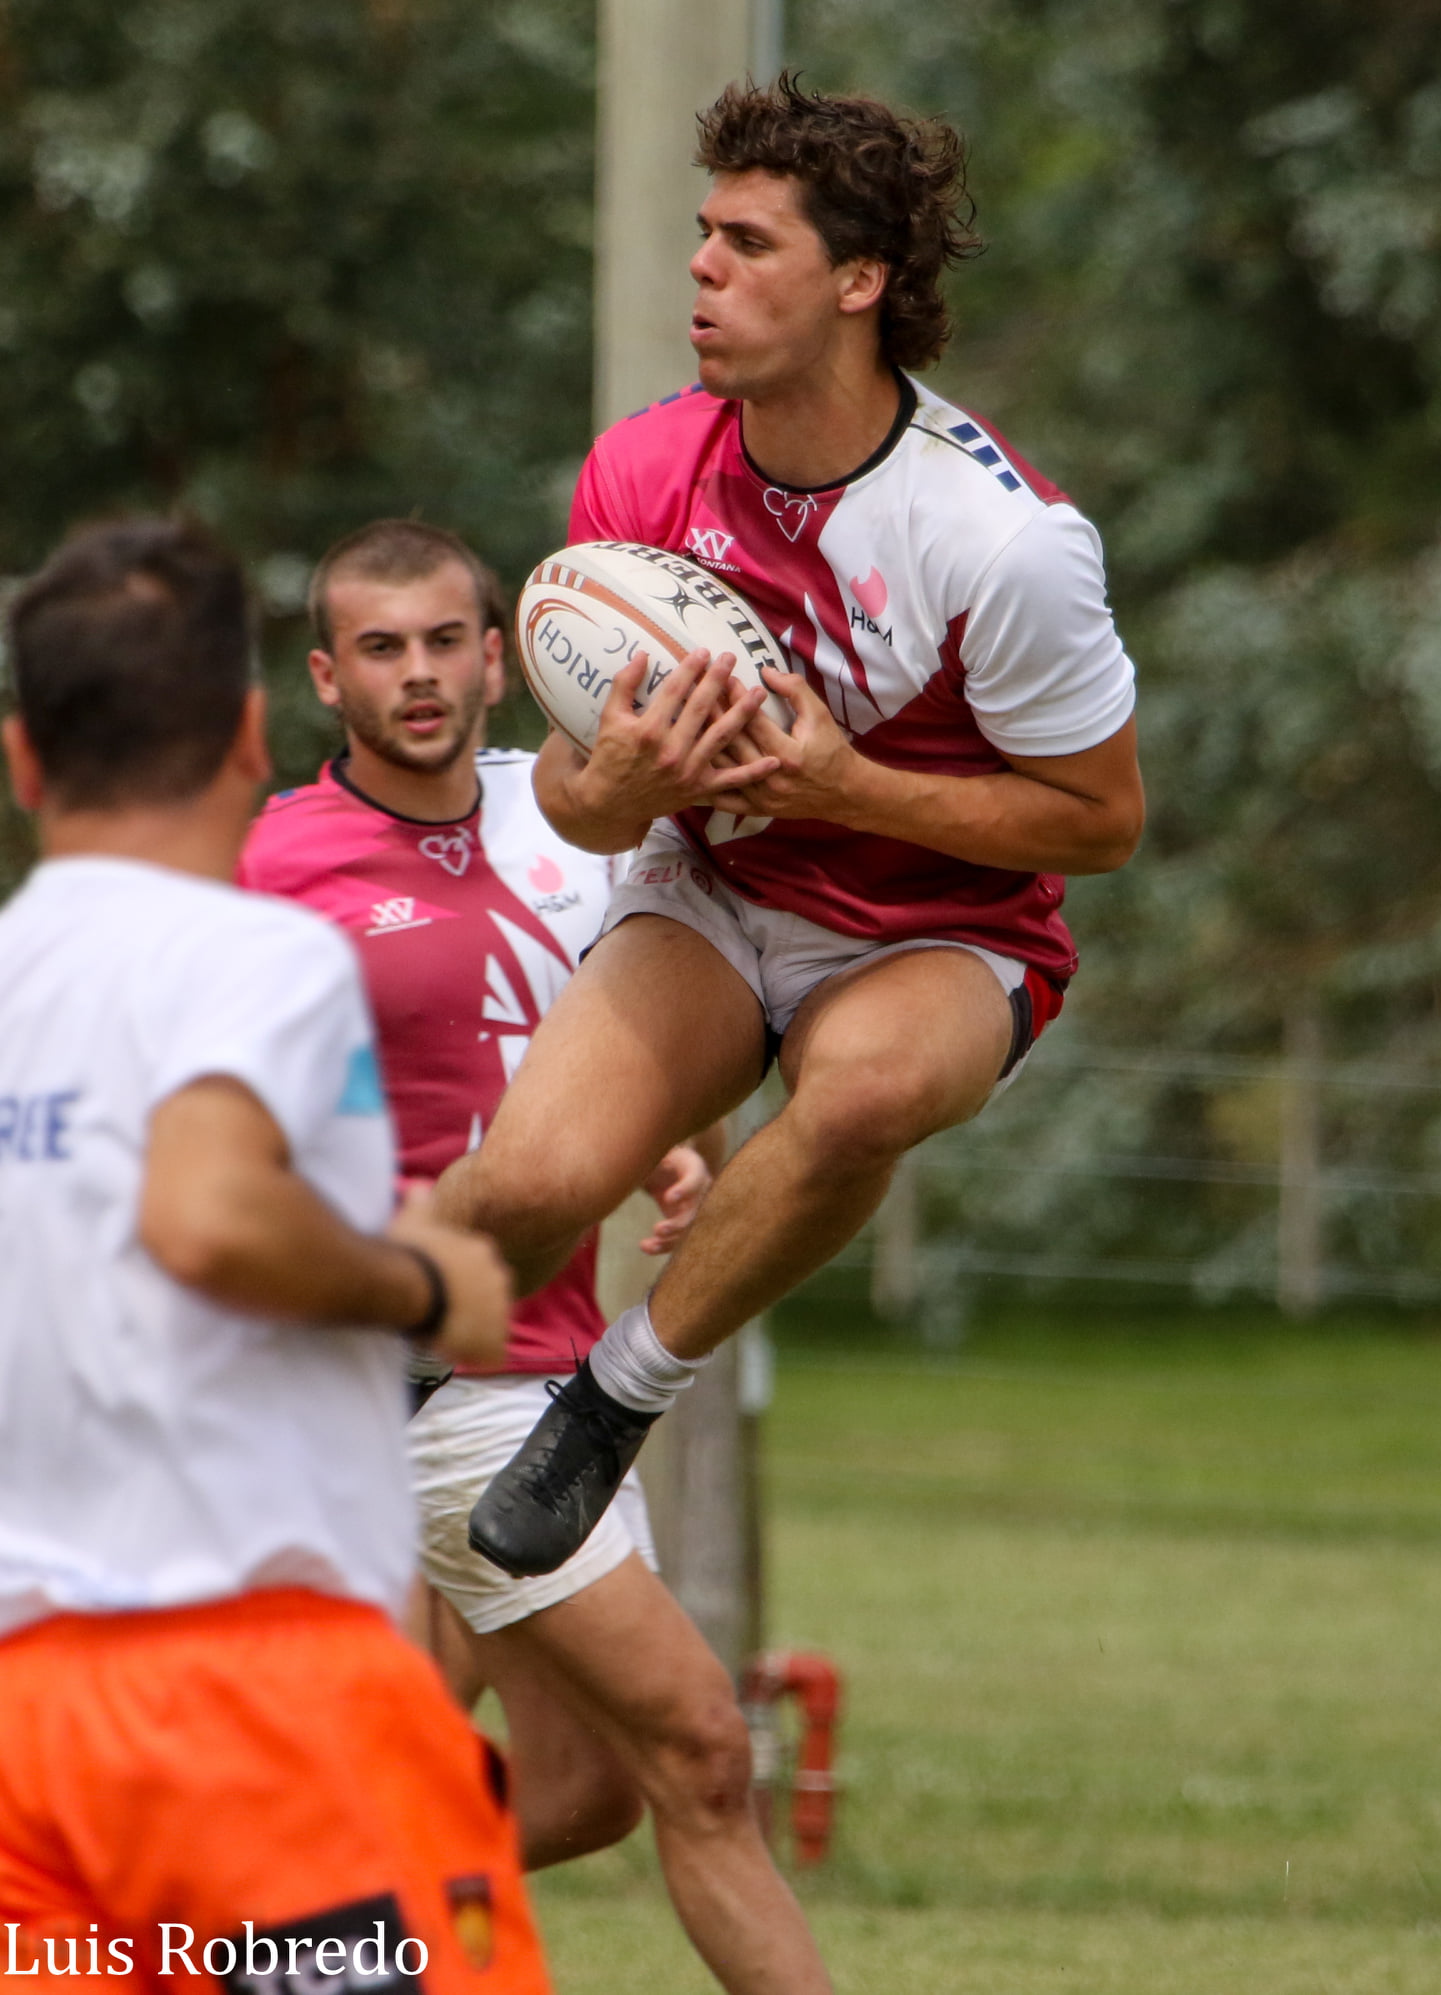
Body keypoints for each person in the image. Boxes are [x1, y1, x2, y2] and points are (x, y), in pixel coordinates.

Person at [445, 74, 1146, 1574]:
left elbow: (1101, 823)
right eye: (702, 233)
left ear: (859, 280)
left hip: (945, 927)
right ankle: (335, 1357)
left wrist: (846, 788)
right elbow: (574, 802)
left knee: (865, 1095)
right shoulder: (641, 471)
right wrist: (612, 788)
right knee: (526, 1187)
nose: (701, 266)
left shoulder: (1003, 543)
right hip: (711, 889)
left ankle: (613, 1399)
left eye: (748, 243)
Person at [238, 518, 833, 1995]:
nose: (420, 674)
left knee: (586, 1793)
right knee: (701, 1750)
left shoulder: (567, 821)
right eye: (381, 648)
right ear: (330, 676)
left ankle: (267, 1931)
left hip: (566, 1362)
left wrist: (657, 1139)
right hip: (435, 1372)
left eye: (446, 639)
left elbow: (608, 1044)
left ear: (506, 656)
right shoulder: (277, 864)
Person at [0, 519, 551, 1993]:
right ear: (254, 731)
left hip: (24, 1722)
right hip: (257, 1702)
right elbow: (209, 1217)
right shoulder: (262, 956)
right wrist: (425, 1285)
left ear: (24, 760)